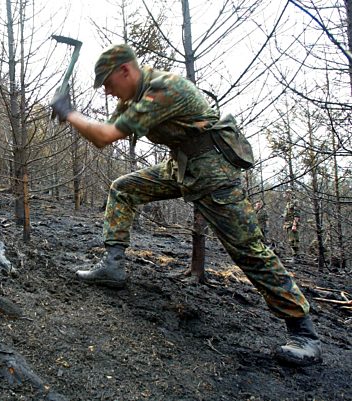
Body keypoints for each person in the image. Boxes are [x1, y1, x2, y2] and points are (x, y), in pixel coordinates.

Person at [50, 44, 322, 367]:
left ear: (125, 70)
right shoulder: (131, 97)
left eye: (108, 83)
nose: (108, 92)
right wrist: (72, 114)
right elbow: (101, 134)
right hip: (182, 166)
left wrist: (69, 113)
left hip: (212, 170)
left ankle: (304, 332)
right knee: (123, 189)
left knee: (249, 250)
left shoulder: (163, 88)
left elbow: (106, 135)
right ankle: (113, 266)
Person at [282, 191, 301, 260]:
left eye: (286, 194)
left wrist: (294, 225)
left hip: (292, 224)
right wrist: (285, 224)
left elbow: (297, 214)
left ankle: (297, 257)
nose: (284, 196)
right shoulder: (288, 203)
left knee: (294, 241)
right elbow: (286, 215)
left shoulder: (295, 202)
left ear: (289, 194)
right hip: (288, 225)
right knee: (291, 241)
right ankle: (294, 256)